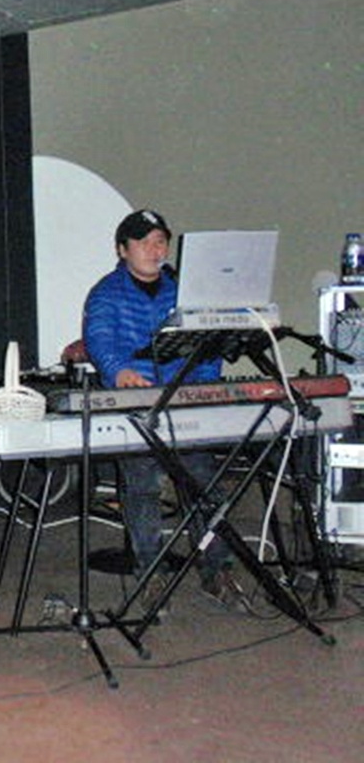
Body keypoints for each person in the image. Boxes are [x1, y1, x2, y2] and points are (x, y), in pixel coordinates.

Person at [82, 209, 248, 612]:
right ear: (123, 250)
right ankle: (151, 575)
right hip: (137, 407)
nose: (154, 250)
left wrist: (204, 385)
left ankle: (216, 570)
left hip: (184, 403)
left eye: (160, 242)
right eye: (143, 242)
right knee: (141, 487)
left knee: (205, 484)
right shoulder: (105, 293)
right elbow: (100, 341)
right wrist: (119, 372)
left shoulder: (182, 291)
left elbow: (207, 346)